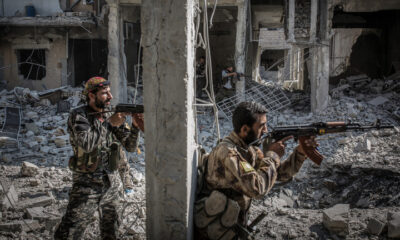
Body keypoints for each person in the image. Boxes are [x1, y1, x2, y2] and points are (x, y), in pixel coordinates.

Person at [194, 101, 318, 240]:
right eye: (261, 126)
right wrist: (273, 156)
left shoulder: (249, 149)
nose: (265, 130)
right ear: (245, 129)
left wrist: (300, 152)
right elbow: (257, 188)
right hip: (216, 233)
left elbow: (277, 174)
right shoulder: (227, 153)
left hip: (232, 229)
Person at [54, 76, 144, 240]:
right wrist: (109, 123)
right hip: (87, 185)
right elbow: (87, 144)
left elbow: (130, 146)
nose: (110, 97)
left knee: (111, 232)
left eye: (109, 92)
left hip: (112, 184)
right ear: (91, 95)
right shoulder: (79, 116)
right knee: (69, 233)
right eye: (104, 93)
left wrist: (136, 127)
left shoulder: (110, 114)